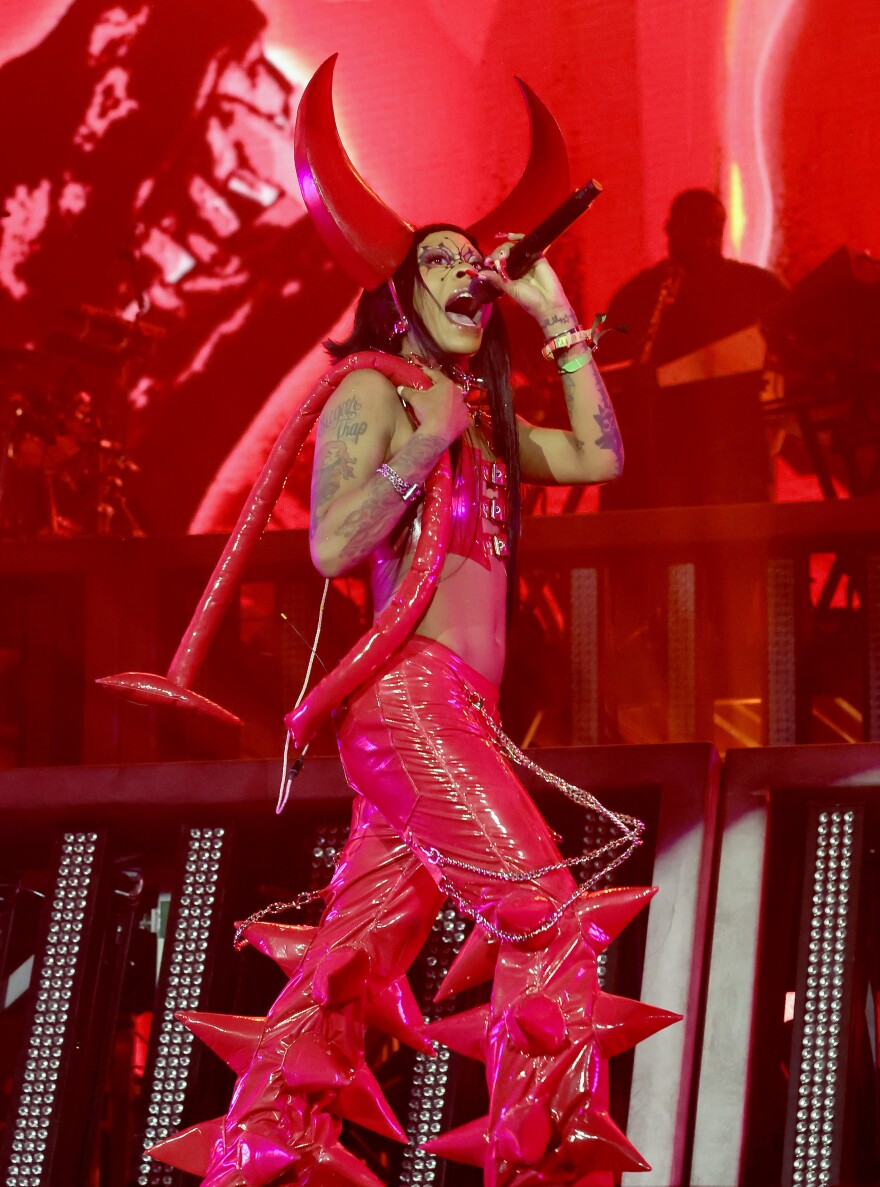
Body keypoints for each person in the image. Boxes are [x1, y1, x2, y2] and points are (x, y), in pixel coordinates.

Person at [149, 58, 675, 1187]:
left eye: (471, 261)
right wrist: (421, 442)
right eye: (437, 258)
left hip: (461, 716)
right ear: (398, 292)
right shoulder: (377, 389)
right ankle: (546, 1167)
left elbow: (600, 454)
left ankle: (265, 1156)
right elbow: (334, 543)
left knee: (346, 972)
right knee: (542, 921)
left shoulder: (477, 412)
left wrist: (560, 323)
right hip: (406, 700)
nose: (464, 270)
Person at [599, 188, 787, 509]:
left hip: (732, 455)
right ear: (670, 229)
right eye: (694, 229)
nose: (704, 242)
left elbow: (795, 333)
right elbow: (609, 372)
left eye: (712, 231)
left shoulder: (755, 289)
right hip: (659, 458)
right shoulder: (638, 297)